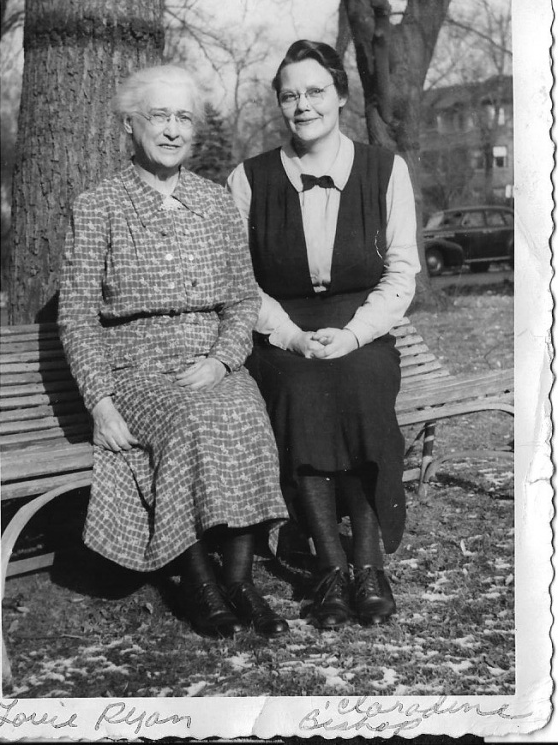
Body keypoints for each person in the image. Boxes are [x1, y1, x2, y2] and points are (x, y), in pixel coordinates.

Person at [58, 64, 289, 639]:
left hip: (210, 362)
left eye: (182, 118)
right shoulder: (98, 206)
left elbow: (242, 299)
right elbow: (77, 316)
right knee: (188, 422)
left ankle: (239, 580)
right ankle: (199, 583)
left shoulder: (215, 202)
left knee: (246, 414)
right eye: (158, 116)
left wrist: (221, 360)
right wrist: (101, 403)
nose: (171, 130)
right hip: (137, 373)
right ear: (130, 126)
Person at [227, 40, 420, 630]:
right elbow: (240, 282)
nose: (303, 105)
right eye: (290, 96)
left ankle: (369, 565)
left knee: (360, 384)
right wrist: (289, 336)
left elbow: (401, 272)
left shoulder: (385, 169)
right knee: (302, 390)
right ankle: (331, 569)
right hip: (281, 331)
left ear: (340, 95)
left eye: (315, 92)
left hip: (361, 327)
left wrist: (355, 334)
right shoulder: (249, 179)